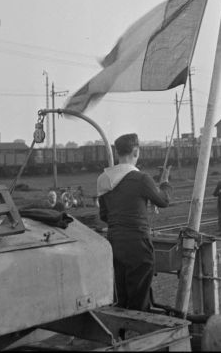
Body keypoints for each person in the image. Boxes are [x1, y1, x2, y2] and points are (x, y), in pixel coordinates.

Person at [97, 133, 171, 311]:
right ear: (136, 152)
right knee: (139, 297)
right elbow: (164, 201)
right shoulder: (141, 179)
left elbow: (104, 215)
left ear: (117, 153)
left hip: (115, 241)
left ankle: (122, 333)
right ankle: (137, 334)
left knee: (122, 294)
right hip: (137, 242)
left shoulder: (103, 179)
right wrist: (165, 183)